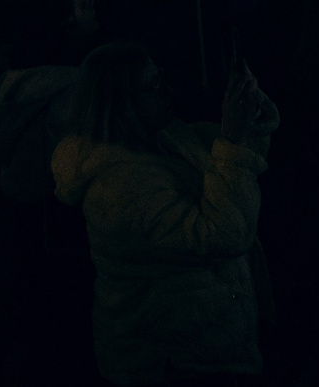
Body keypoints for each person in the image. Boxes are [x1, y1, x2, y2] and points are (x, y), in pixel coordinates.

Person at [52, 41, 280, 385]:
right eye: (154, 85)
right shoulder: (118, 188)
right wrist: (232, 142)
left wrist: (247, 108)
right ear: (122, 102)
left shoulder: (161, 137)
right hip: (174, 362)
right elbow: (223, 233)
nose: (167, 89)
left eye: (162, 78)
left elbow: (240, 156)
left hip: (200, 339)